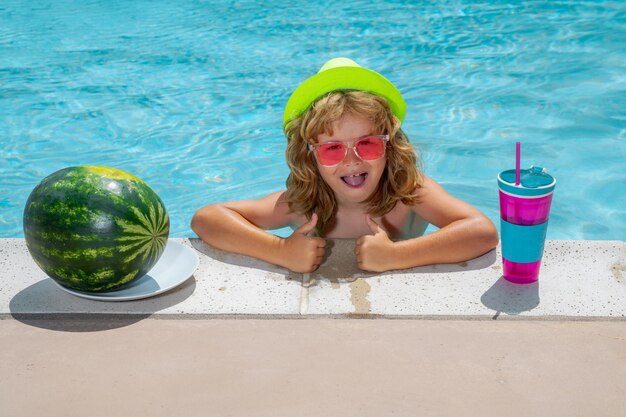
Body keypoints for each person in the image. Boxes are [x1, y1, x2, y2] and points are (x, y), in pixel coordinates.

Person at [192, 58, 498, 273]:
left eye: (367, 143)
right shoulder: (303, 204)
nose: (352, 160)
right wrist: (279, 250)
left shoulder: (410, 192)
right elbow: (207, 220)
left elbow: (481, 232)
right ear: (309, 156)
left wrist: (395, 256)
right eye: (332, 148)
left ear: (389, 145)